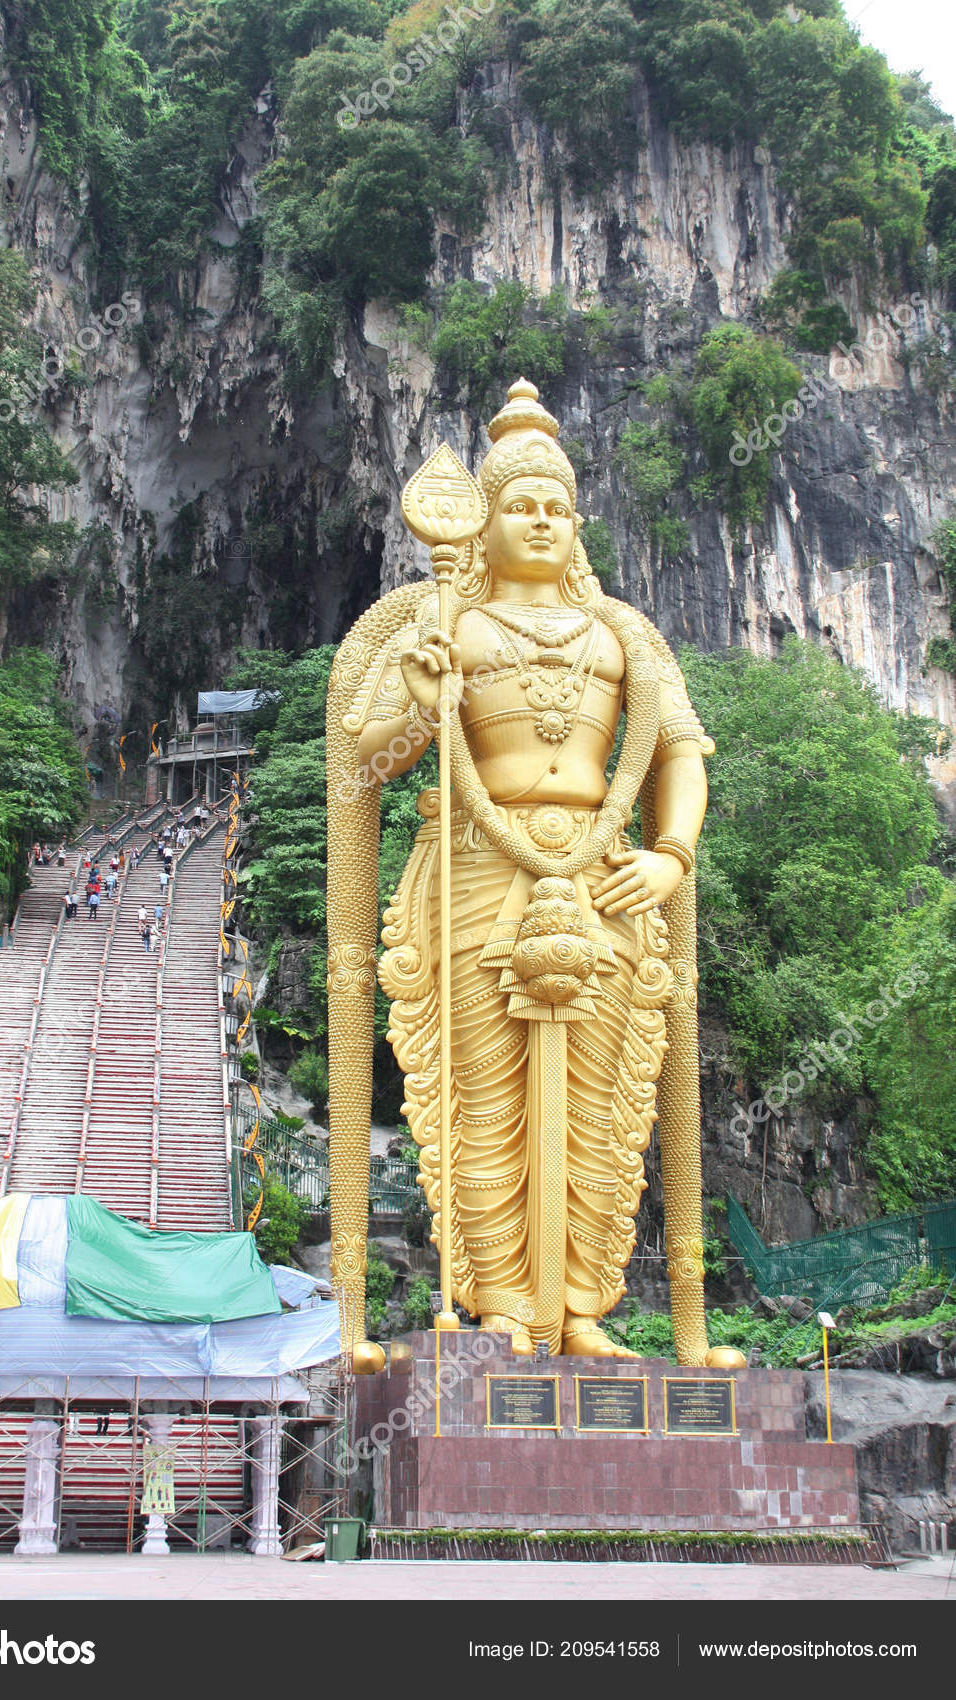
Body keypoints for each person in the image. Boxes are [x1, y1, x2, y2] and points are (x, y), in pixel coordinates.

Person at [326, 378, 738, 1370]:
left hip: (605, 877)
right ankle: (506, 1305)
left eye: (557, 505)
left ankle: (588, 1304)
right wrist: (423, 703)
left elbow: (679, 750)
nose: (542, 520)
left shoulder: (625, 635)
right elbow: (360, 763)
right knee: (483, 1098)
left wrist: (668, 852)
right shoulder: (443, 626)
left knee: (609, 1098)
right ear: (486, 522)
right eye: (522, 504)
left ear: (577, 520)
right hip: (475, 867)